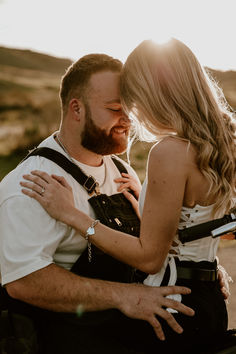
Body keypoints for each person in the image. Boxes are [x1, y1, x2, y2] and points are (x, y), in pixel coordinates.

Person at [20, 39, 235, 353]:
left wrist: (72, 215)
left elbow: (149, 258)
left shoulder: (169, 152)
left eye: (133, 100)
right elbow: (202, 225)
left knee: (56, 329)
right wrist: (141, 202)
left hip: (172, 308)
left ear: (153, 93)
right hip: (208, 303)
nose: (133, 115)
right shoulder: (224, 141)